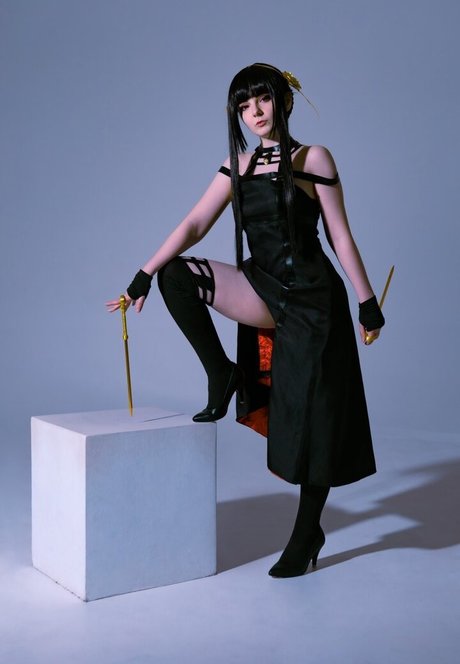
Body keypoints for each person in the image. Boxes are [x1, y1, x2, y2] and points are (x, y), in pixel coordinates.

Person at [106, 63, 385, 578]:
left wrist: (367, 303)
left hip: (313, 300)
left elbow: (340, 235)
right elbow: (195, 223)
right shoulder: (235, 165)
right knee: (175, 276)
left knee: (309, 415)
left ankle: (307, 531)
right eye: (243, 104)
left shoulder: (312, 158)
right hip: (261, 285)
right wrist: (142, 274)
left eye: (263, 99)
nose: (254, 112)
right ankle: (224, 372)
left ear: (285, 101)